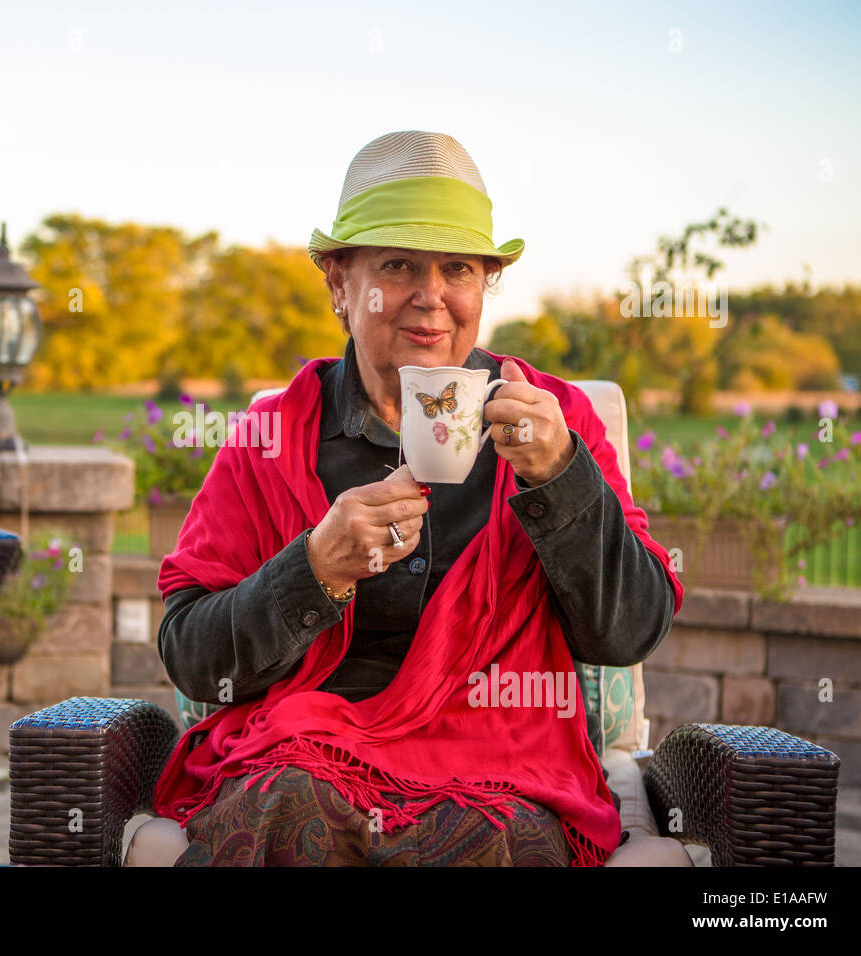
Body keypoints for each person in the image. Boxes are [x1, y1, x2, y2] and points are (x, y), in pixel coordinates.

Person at [152, 131, 682, 866]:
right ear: (339, 282)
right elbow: (193, 656)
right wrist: (315, 569)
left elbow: (628, 632)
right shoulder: (272, 437)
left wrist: (561, 475)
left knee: (492, 840)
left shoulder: (557, 422)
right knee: (289, 807)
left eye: (458, 269)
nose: (430, 297)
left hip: (503, 761)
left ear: (482, 288)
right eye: (398, 264)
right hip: (309, 753)